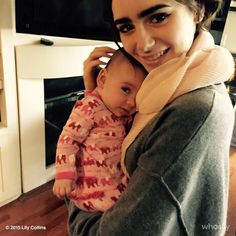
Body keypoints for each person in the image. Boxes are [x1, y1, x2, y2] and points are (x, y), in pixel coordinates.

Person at [67, 0, 235, 235]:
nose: (143, 45)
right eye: (126, 28)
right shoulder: (161, 84)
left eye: (158, 17)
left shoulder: (193, 111)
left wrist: (76, 199)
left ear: (198, 10)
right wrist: (98, 99)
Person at [53, 49, 146, 212]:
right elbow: (68, 140)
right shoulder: (89, 107)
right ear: (102, 79)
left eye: (138, 97)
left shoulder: (117, 109)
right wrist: (64, 175)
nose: (131, 102)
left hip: (113, 181)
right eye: (125, 89)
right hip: (92, 192)